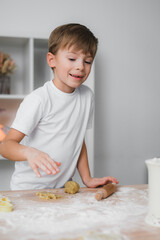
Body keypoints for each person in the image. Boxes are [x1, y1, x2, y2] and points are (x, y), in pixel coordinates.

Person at [0, 23, 119, 190]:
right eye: (72, 59)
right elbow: (5, 146)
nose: (80, 66)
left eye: (87, 61)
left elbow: (78, 139)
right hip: (27, 191)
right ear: (52, 60)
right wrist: (29, 152)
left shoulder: (87, 96)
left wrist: (87, 178)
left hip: (61, 189)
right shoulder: (39, 100)